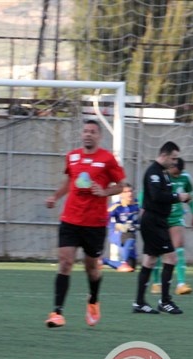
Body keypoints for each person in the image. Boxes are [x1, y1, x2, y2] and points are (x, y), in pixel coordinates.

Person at [44, 119, 126, 328]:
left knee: (92, 269)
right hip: (70, 219)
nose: (88, 134)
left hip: (95, 223)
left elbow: (121, 186)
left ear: (99, 136)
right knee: (65, 262)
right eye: (86, 131)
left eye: (92, 132)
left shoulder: (107, 159)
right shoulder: (72, 156)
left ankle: (93, 301)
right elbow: (69, 182)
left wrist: (105, 192)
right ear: (82, 134)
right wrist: (55, 197)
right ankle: (57, 312)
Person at [133, 142, 192, 315]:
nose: (175, 162)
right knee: (171, 257)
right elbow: (156, 196)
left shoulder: (163, 174)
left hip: (158, 221)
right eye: (173, 158)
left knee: (150, 260)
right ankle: (165, 301)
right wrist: (178, 196)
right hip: (153, 221)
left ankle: (139, 302)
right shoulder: (154, 172)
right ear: (164, 155)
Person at [148, 157, 193, 295]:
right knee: (157, 251)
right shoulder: (159, 176)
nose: (177, 175)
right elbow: (147, 193)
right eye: (175, 172)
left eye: (179, 172)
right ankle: (157, 283)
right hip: (160, 217)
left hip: (176, 218)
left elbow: (190, 196)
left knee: (178, 247)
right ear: (170, 168)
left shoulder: (185, 178)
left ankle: (181, 284)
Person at [102, 184, 139, 272]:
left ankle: (104, 261)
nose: (129, 194)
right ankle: (124, 262)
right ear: (121, 194)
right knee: (130, 236)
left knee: (131, 267)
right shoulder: (116, 206)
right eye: (126, 192)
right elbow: (104, 217)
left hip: (130, 232)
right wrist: (116, 225)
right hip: (116, 233)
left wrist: (138, 225)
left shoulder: (138, 204)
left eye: (130, 191)